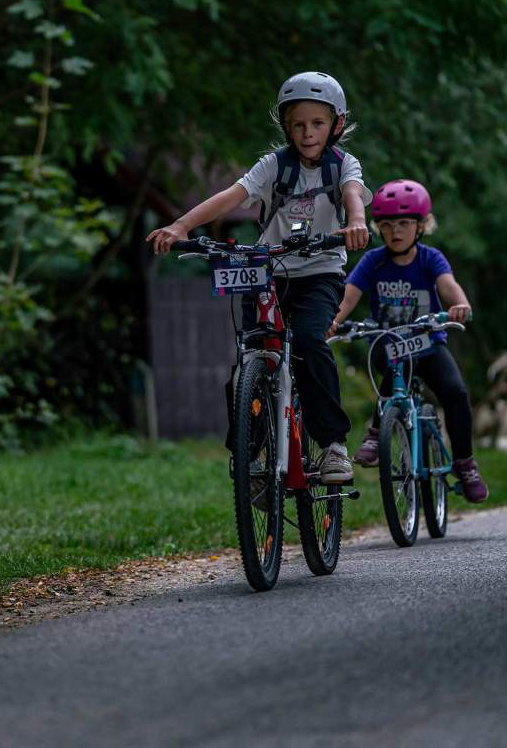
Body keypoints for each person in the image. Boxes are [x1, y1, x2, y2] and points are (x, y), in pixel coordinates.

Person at [146, 71, 371, 483]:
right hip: (268, 272)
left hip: (319, 272)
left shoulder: (343, 166)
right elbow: (229, 197)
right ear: (285, 125)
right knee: (250, 359)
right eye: (298, 124)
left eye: (317, 124)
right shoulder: (273, 165)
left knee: (308, 341)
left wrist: (357, 222)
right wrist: (180, 227)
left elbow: (353, 195)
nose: (307, 133)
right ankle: (249, 458)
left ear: (336, 125)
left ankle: (334, 446)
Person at [329, 178, 488, 502]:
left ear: (421, 226)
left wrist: (459, 304)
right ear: (379, 228)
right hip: (387, 344)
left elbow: (447, 286)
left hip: (428, 346)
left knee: (456, 393)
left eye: (403, 223)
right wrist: (332, 321)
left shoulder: (430, 258)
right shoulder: (374, 261)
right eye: (387, 225)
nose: (395, 231)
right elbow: (348, 296)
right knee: (390, 367)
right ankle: (378, 432)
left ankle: (465, 462)